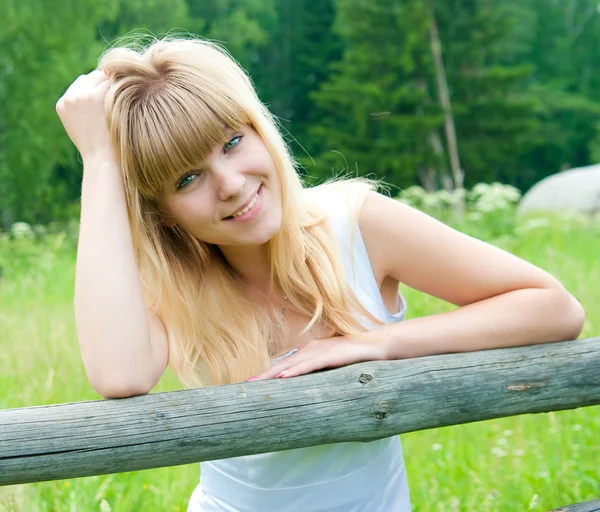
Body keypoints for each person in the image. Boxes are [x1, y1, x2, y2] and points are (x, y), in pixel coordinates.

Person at [55, 36, 585, 512]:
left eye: (233, 143)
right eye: (189, 178)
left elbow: (553, 306)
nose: (232, 185)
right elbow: (119, 376)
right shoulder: (173, 284)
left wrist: (380, 343)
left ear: (261, 128)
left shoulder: (356, 223)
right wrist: (100, 162)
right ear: (164, 211)